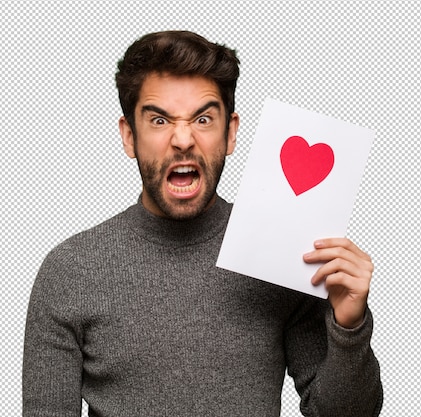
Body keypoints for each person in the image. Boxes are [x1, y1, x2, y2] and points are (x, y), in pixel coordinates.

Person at [23, 30, 382, 416]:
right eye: (159, 120)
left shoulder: (282, 252)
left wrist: (349, 323)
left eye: (203, 118)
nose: (182, 139)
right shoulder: (71, 270)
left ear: (230, 133)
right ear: (129, 137)